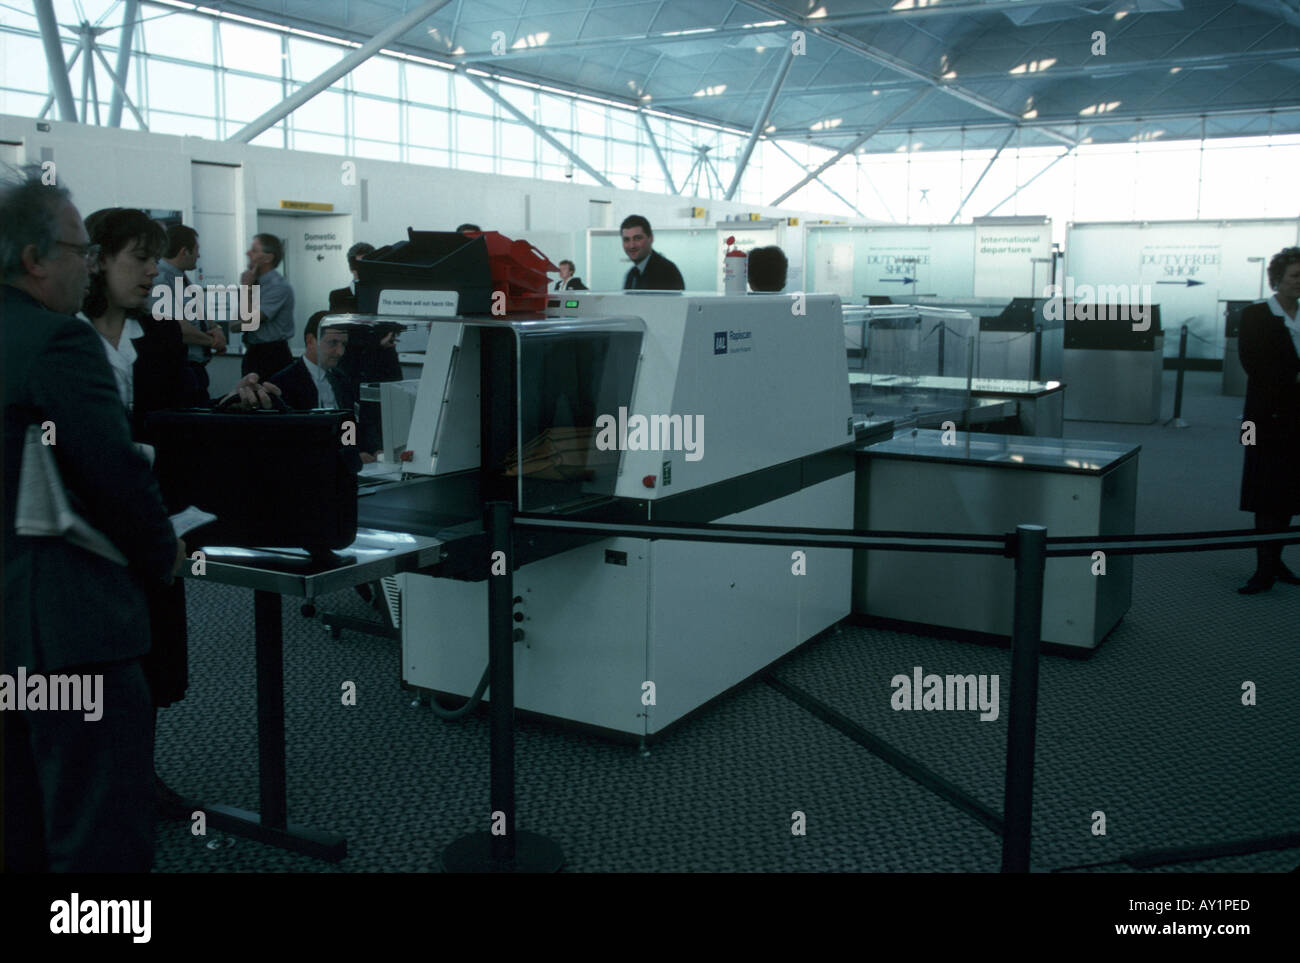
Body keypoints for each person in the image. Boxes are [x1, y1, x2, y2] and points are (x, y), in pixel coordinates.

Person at [1, 168, 184, 871]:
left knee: (24, 824)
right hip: (73, 634)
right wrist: (162, 548)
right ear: (35, 259)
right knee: (97, 834)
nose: (88, 266)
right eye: (81, 251)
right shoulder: (58, 342)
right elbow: (116, 476)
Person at [1237, 246, 1300, 594]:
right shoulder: (1255, 315)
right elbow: (1254, 366)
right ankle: (1263, 570)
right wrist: (1294, 378)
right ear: (1277, 279)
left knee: (1290, 492)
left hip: (1297, 418)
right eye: (1294, 276)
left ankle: (1276, 560)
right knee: (1264, 492)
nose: (1299, 283)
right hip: (1262, 419)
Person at [267, 311, 381, 465]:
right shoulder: (283, 383)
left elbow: (353, 424)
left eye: (343, 345)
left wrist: (372, 450)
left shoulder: (342, 380)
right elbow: (293, 441)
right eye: (333, 343)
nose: (340, 352)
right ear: (310, 341)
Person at [150, 224, 225, 394]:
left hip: (195, 370)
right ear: (184, 251)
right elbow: (175, 328)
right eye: (196, 250)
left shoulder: (182, 278)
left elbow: (200, 316)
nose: (198, 255)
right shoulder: (160, 280)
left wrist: (216, 328)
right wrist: (213, 342)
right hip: (177, 370)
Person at [239, 232, 295, 383]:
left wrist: (246, 289)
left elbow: (247, 320)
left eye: (254, 250)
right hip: (253, 351)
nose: (248, 253)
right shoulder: (253, 282)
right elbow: (234, 325)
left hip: (272, 354)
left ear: (268, 258)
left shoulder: (278, 287)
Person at [620, 215, 684, 291]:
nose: (632, 245)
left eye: (637, 238)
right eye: (626, 239)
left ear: (651, 238)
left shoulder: (666, 272)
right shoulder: (632, 274)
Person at [328, 241, 375, 313]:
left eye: (364, 265)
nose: (361, 269)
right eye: (357, 265)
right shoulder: (337, 296)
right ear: (351, 267)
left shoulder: (380, 295)